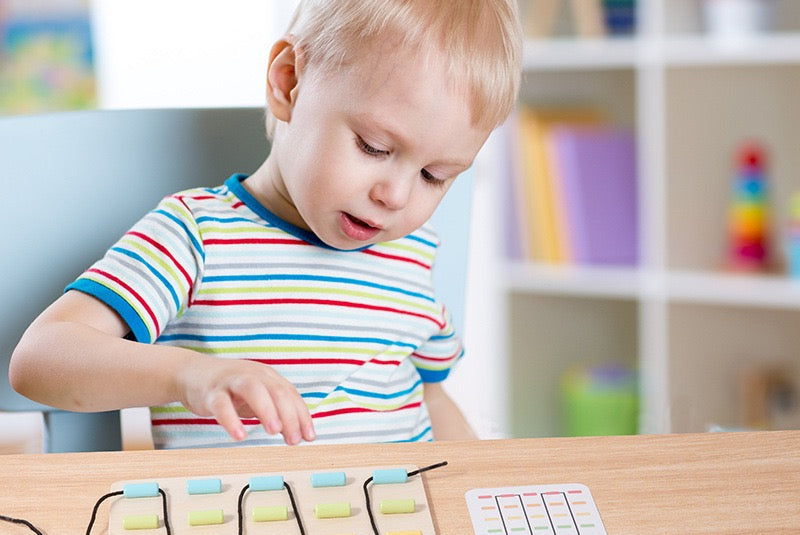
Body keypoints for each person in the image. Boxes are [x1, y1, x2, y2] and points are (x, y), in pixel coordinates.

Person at [9, 0, 522, 448]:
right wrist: (190, 376)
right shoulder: (198, 236)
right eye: (375, 148)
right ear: (289, 83)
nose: (396, 196)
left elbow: (431, 396)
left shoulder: (413, 255)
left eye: (435, 176)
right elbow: (40, 359)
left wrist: (479, 494)